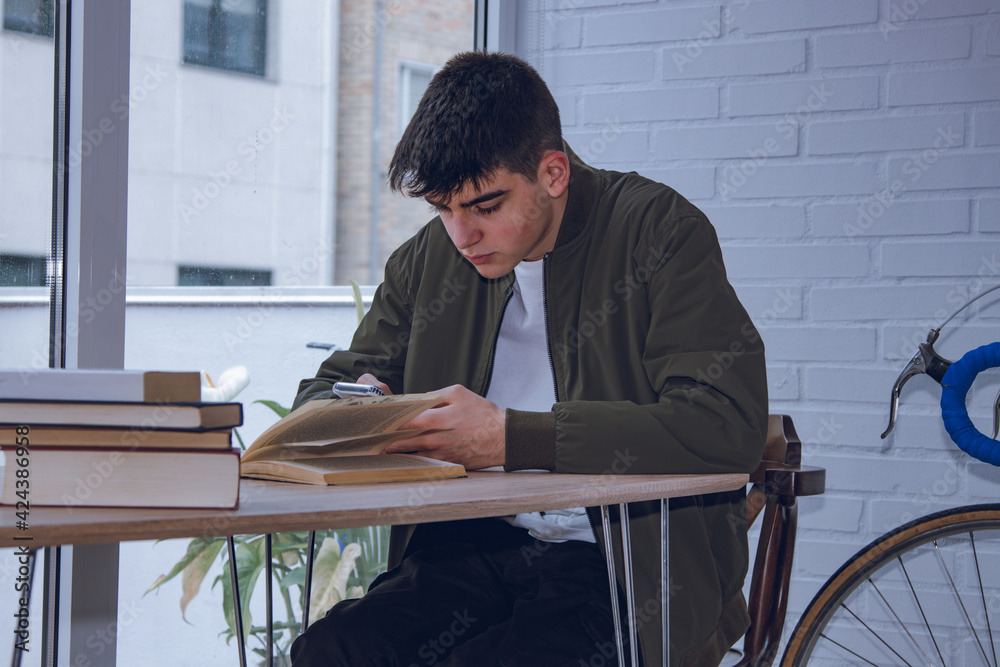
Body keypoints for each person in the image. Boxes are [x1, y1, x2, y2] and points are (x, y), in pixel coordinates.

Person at [290, 51, 767, 667]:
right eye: (442, 207)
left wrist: (513, 438)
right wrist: (365, 407)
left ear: (553, 172)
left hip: (623, 562)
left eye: (485, 207)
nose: (462, 235)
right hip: (468, 547)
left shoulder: (659, 232)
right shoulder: (429, 260)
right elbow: (325, 392)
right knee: (332, 652)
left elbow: (724, 421)